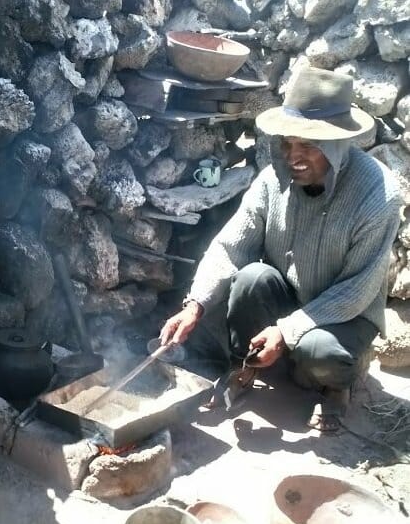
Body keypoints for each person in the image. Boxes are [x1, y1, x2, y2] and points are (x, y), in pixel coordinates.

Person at [159, 66, 401, 432]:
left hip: (343, 317)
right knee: (251, 278)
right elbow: (230, 246)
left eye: (308, 145)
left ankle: (336, 387)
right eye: (288, 143)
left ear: (337, 146)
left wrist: (287, 333)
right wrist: (196, 304)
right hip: (290, 297)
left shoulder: (378, 194)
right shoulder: (273, 180)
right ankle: (245, 368)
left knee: (320, 353)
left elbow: (356, 291)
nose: (293, 156)